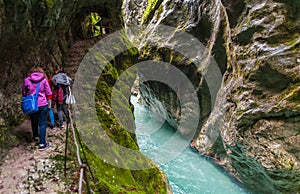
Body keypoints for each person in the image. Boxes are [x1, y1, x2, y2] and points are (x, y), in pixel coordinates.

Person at [22, 66, 52, 151]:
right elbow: (49, 92)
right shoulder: (43, 80)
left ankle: (35, 137)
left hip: (32, 104)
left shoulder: (26, 80)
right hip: (42, 104)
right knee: (42, 124)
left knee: (34, 121)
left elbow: (24, 92)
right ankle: (42, 144)